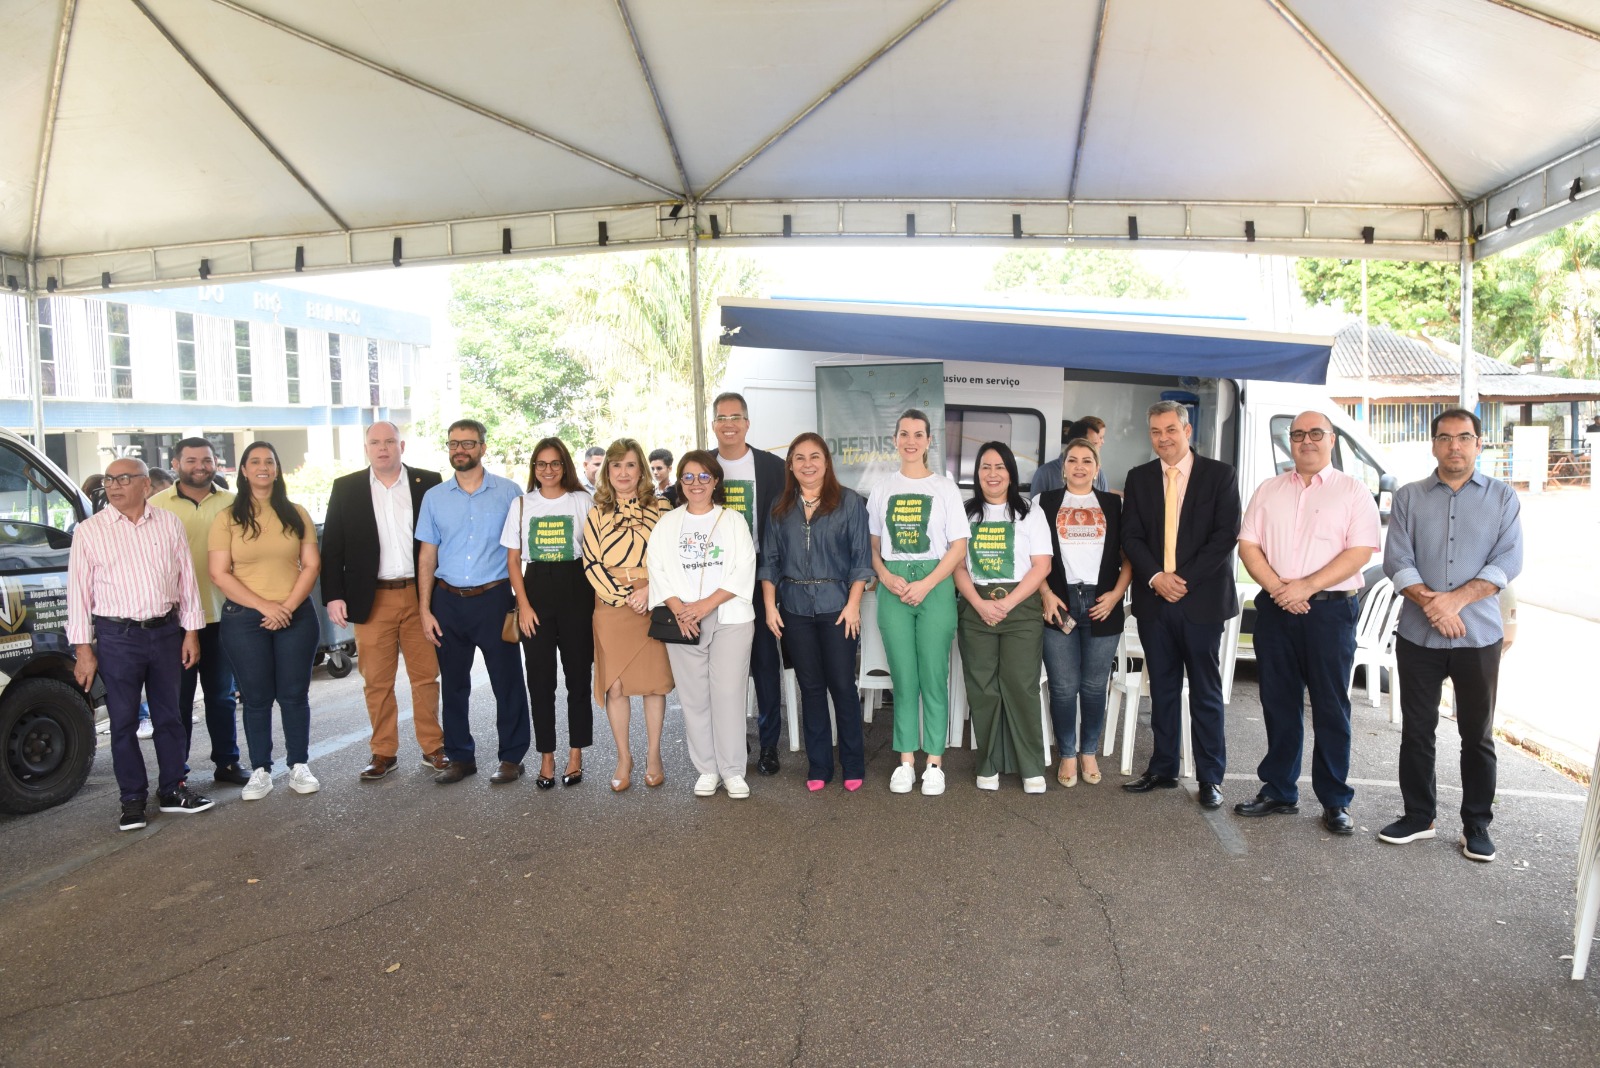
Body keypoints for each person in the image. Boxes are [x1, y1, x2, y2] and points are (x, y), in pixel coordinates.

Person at [1380, 408, 1523, 863]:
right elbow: (1397, 560)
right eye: (1445, 438)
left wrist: (1454, 602)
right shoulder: (1409, 497)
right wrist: (1434, 606)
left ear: (1479, 444)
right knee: (1417, 731)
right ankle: (1418, 817)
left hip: (1477, 636)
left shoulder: (1503, 497)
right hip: (1418, 636)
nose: (1454, 446)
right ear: (1434, 444)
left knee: (1477, 735)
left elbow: (1508, 561)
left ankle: (1476, 826)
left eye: (1463, 438)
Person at [1234, 411, 1381, 835]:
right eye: (1298, 434)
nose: (1306, 441)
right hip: (1276, 609)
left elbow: (1360, 552)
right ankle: (1279, 790)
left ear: (1331, 440)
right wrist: (1279, 589)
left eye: (1316, 433)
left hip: (1330, 613)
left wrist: (1306, 587)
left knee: (1331, 706)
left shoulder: (1353, 491)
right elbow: (1248, 546)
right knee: (1278, 703)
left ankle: (1335, 800)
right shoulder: (1269, 489)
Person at [69, 458, 212, 831]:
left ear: (146, 485)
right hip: (117, 638)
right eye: (109, 480)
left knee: (170, 716)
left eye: (123, 479)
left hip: (165, 632)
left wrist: (191, 632)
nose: (113, 486)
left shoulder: (168, 523)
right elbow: (78, 594)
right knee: (123, 722)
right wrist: (83, 650)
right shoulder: (89, 531)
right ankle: (132, 800)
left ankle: (173, 789)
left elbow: (186, 581)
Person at [1120, 400, 1241, 809]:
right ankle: (1163, 767)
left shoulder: (1219, 475)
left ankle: (1210, 777)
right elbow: (1131, 536)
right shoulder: (1139, 478)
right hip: (1155, 601)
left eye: (1170, 430)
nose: (1163, 438)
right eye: (1156, 431)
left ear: (1187, 431)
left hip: (1201, 602)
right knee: (1163, 689)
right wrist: (1157, 577)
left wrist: (1181, 580)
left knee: (1205, 691)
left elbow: (1225, 536)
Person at [321, 422, 447, 780]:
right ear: (366, 448)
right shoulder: (346, 488)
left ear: (401, 446)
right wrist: (333, 595)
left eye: (389, 441)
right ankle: (383, 752)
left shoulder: (428, 482)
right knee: (376, 680)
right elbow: (332, 546)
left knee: (426, 676)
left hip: (421, 595)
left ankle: (433, 747)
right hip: (371, 597)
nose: (382, 448)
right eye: (375, 442)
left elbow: (443, 537)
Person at [416, 419, 531, 785]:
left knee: (507, 681)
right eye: (453, 443)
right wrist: (424, 609)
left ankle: (511, 757)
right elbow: (427, 556)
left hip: (494, 599)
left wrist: (524, 600)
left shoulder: (509, 493)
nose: (460, 450)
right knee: (453, 684)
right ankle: (460, 757)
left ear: (483, 447)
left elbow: (522, 551)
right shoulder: (434, 497)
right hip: (447, 601)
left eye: (467, 443)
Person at [207, 441, 322, 801]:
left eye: (269, 461)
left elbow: (312, 565)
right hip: (244, 619)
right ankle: (261, 770)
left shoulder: (296, 513)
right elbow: (219, 573)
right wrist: (265, 607)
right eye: (255, 461)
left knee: (294, 695)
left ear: (276, 469)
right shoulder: (227, 517)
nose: (263, 467)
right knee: (256, 698)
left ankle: (299, 765)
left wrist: (285, 607)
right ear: (243, 470)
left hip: (296, 615)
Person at [759, 433, 872, 792]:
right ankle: (819, 765)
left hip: (838, 608)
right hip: (794, 609)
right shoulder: (780, 506)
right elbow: (770, 561)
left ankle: (853, 763)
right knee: (810, 688)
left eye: (815, 457)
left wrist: (853, 605)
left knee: (842, 685)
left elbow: (861, 559)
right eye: (800, 458)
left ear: (826, 462)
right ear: (790, 465)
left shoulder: (850, 502)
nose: (807, 464)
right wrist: (769, 606)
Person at [868, 409, 969, 796]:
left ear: (929, 441)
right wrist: (885, 575)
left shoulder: (944, 489)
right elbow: (874, 547)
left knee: (933, 676)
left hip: (935, 585)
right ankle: (906, 760)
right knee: (904, 678)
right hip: (894, 587)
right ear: (894, 440)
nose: (911, 441)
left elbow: (958, 546)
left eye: (918, 434)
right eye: (904, 434)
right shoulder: (882, 489)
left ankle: (935, 763)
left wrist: (926, 583)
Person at [648, 452, 758, 799]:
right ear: (680, 482)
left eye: (704, 477)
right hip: (683, 621)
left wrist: (705, 606)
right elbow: (656, 568)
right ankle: (708, 769)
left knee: (728, 695)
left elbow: (745, 567)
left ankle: (733, 771)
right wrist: (680, 609)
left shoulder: (733, 520)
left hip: (729, 618)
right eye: (688, 477)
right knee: (694, 698)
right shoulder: (668, 524)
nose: (696, 483)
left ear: (716, 481)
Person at [952, 442, 1053, 794]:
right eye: (985, 467)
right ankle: (988, 763)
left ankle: (1031, 766)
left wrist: (1007, 603)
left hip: (1020, 609)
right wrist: (979, 604)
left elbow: (1042, 566)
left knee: (1021, 685)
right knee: (982, 687)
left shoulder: (1030, 512)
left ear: (1011, 473)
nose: (992, 474)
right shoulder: (964, 514)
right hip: (975, 606)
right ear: (977, 474)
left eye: (999, 467)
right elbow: (958, 566)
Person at [150, 436, 246, 785]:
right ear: (176, 464)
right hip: (174, 621)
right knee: (177, 701)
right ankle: (177, 772)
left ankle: (228, 763)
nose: (200, 466)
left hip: (223, 614)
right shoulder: (156, 505)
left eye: (206, 460)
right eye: (191, 460)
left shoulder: (234, 503)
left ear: (215, 463)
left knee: (221, 696)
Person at [1038, 437, 1132, 789]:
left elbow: (1129, 557)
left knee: (1094, 686)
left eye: (1087, 461)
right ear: (1063, 467)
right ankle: (1067, 753)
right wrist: (1045, 593)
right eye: (1072, 460)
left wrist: (1116, 595)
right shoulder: (1044, 502)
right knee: (1063, 687)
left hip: (1102, 602)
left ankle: (1088, 751)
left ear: (1097, 467)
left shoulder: (1113, 504)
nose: (1079, 466)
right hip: (1059, 602)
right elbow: (1033, 556)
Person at [502, 437, 594, 789]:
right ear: (534, 468)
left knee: (577, 679)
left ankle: (576, 754)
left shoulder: (581, 500)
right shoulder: (521, 504)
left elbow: (594, 552)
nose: (548, 470)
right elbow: (513, 561)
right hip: (536, 591)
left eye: (555, 463)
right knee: (540, 682)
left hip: (576, 588)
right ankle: (546, 757)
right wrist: (524, 605)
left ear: (564, 466)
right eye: (541, 464)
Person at [582, 438, 672, 791]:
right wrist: (623, 597)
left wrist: (649, 592)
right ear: (607, 471)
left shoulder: (662, 508)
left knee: (653, 683)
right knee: (615, 686)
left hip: (652, 600)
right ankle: (624, 757)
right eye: (616, 465)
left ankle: (654, 755)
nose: (623, 472)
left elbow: (670, 559)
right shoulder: (596, 512)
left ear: (641, 470)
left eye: (630, 465)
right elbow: (591, 562)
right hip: (610, 606)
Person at [708, 392, 789, 775]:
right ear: (714, 425)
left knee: (764, 662)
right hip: (712, 579)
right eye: (722, 418)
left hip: (759, 578)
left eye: (736, 417)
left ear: (747, 423)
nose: (729, 424)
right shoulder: (702, 465)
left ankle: (769, 745)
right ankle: (731, 739)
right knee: (722, 665)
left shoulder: (773, 467)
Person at [1029, 415, 1109, 496]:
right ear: (1077, 443)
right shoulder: (1044, 474)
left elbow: (1105, 502)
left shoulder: (1100, 476)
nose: (1102, 442)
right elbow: (1036, 503)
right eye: (1095, 443)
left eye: (1102, 437)